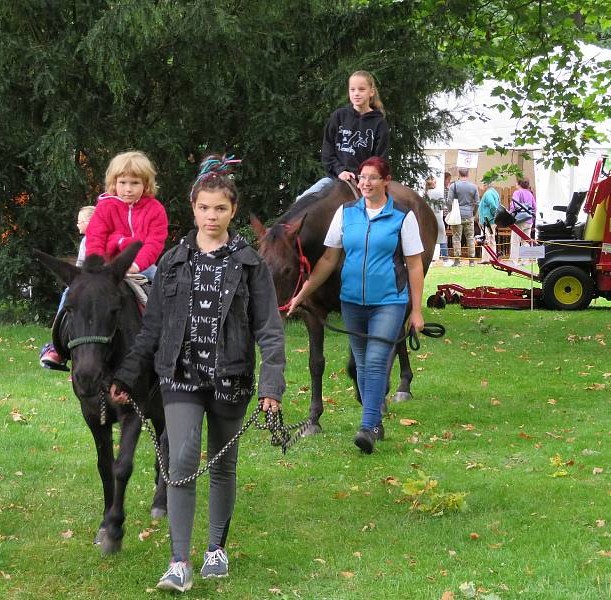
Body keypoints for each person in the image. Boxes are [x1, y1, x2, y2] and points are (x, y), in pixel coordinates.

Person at [109, 156, 286, 593]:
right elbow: (152, 329)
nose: (212, 216)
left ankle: (216, 550)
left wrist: (271, 386)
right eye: (205, 208)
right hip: (181, 378)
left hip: (232, 380)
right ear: (193, 208)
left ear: (232, 212)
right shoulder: (172, 261)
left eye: (220, 209)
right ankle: (178, 562)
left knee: (223, 468)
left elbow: (268, 328)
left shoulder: (249, 263)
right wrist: (128, 375)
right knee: (182, 463)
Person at [287, 156, 425, 455]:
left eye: (373, 177)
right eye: (362, 177)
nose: (365, 182)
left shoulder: (403, 217)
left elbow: (414, 265)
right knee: (361, 366)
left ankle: (367, 427)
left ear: (386, 181)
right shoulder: (346, 213)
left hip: (389, 301)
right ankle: (375, 420)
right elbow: (327, 260)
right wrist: (302, 293)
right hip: (352, 301)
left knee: (375, 362)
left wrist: (415, 310)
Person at [297, 70, 389, 199]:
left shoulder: (379, 123)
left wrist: (364, 177)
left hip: (365, 183)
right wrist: (340, 171)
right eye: (352, 90)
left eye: (361, 89)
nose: (356, 93)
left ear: (371, 92)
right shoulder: (338, 116)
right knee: (301, 200)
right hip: (335, 179)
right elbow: (327, 150)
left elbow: (380, 159)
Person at [84, 150, 168, 280]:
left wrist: (135, 265)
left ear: (145, 184)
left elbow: (154, 243)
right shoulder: (105, 207)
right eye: (122, 182)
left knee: (165, 287)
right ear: (114, 183)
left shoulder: (155, 210)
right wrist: (96, 263)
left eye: (135, 183)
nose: (128, 189)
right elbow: (95, 237)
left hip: (141, 266)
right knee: (73, 290)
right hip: (107, 265)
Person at [39, 205, 95, 370]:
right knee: (69, 292)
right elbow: (79, 268)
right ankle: (58, 345)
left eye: (80, 221)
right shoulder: (86, 241)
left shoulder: (106, 237)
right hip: (88, 281)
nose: (77, 225)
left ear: (91, 222)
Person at [446, 167, 479, 266]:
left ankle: (457, 261)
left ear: (459, 174)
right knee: (470, 237)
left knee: (456, 238)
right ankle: (472, 261)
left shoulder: (453, 186)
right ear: (468, 174)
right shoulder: (473, 186)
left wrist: (450, 211)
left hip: (457, 215)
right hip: (469, 214)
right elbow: (477, 203)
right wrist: (473, 213)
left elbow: (449, 201)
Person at [509, 178, 537, 265]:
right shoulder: (530, 194)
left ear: (518, 184)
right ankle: (525, 261)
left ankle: (514, 261)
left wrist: (510, 214)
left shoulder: (517, 193)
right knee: (526, 241)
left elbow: (514, 206)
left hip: (519, 221)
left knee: (515, 241)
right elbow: (534, 207)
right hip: (529, 220)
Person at [424, 176, 450, 265]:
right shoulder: (438, 192)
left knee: (429, 240)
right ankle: (446, 260)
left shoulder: (425, 193)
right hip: (437, 218)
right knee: (442, 238)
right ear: (434, 183)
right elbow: (442, 206)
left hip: (427, 219)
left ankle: (429, 261)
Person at [477, 181, 500, 264]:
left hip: (488, 221)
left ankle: (486, 259)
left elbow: (493, 206)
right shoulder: (494, 192)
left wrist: (494, 215)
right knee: (491, 239)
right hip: (491, 220)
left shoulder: (488, 193)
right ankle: (492, 258)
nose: (482, 185)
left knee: (486, 239)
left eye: (483, 184)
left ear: (487, 185)